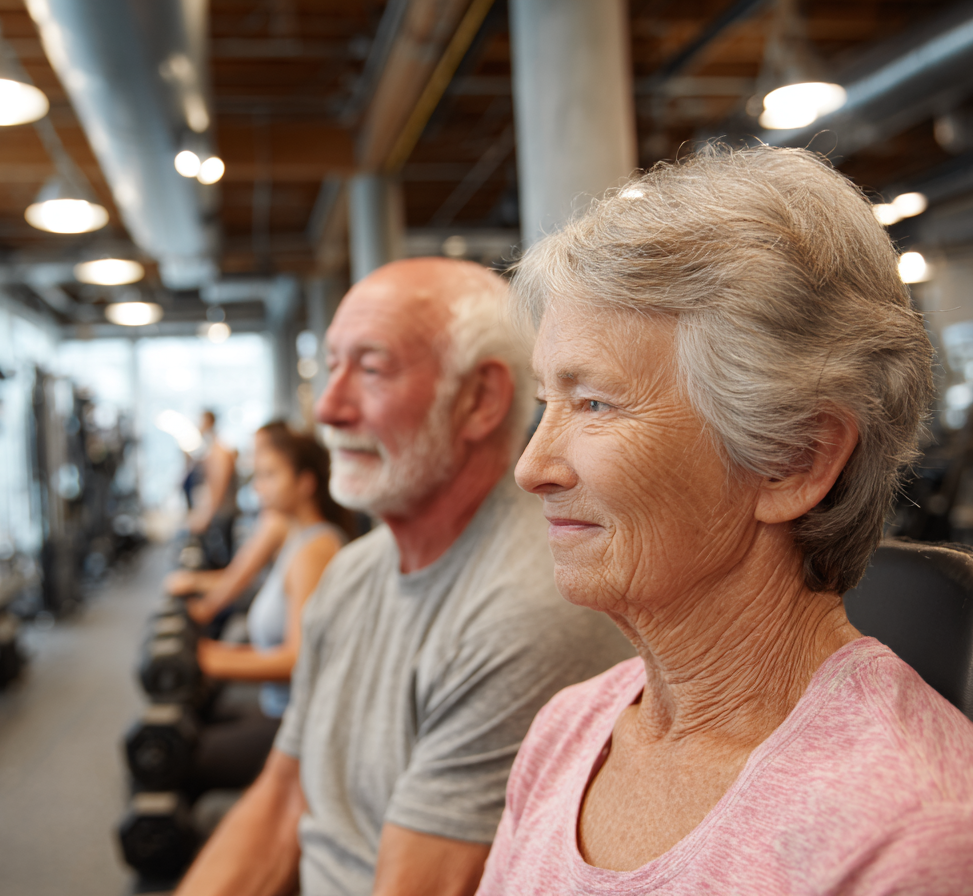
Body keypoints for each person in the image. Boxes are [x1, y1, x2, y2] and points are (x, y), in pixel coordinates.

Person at [476, 145, 973, 895]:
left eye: (595, 403)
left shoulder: (930, 839)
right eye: (548, 401)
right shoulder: (570, 729)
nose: (532, 467)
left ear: (793, 460)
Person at [176, 257, 634, 896]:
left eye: (371, 369)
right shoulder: (351, 574)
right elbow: (283, 798)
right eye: (332, 367)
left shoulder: (527, 607)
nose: (329, 408)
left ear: (479, 400)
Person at [183, 422, 353, 796]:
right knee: (190, 724)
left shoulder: (315, 551)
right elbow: (235, 576)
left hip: (300, 724)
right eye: (258, 475)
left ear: (305, 483)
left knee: (174, 759)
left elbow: (297, 660)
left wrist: (208, 659)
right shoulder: (292, 535)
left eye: (270, 475)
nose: (258, 486)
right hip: (278, 708)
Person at [186, 410, 239, 569]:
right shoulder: (212, 451)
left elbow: (218, 488)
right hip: (219, 512)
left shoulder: (220, 452)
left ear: (209, 423)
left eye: (201, 422)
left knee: (223, 563)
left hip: (223, 513)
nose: (199, 426)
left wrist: (206, 516)